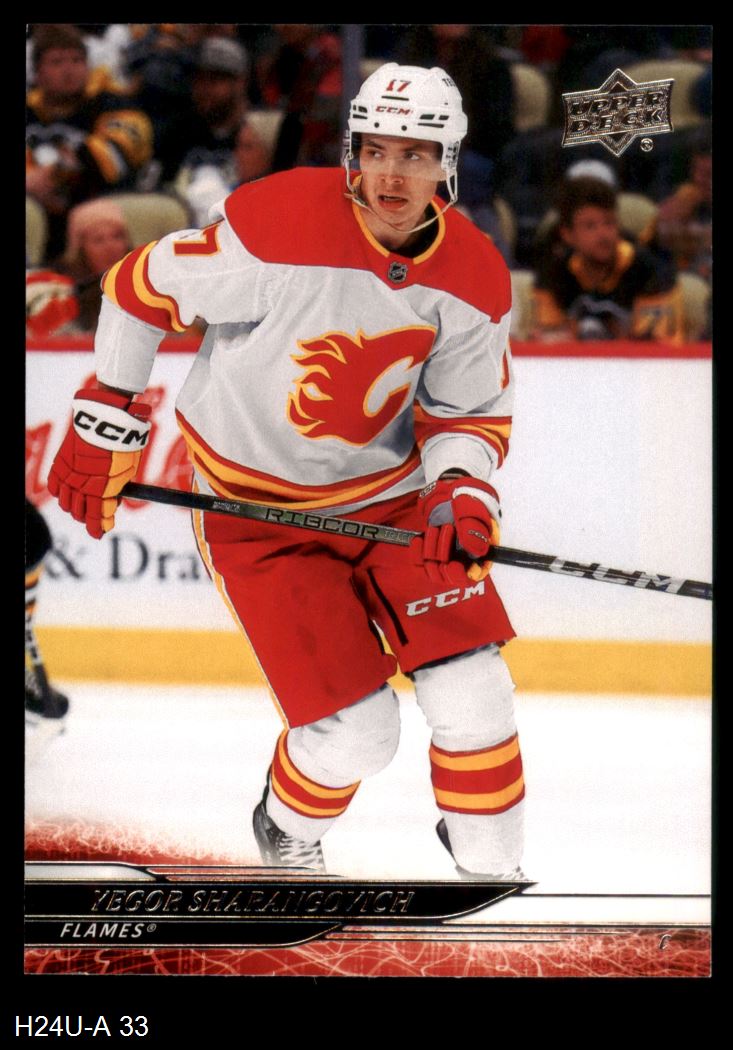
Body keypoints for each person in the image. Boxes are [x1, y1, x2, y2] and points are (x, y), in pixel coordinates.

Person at [46, 63, 525, 881]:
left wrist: (458, 488)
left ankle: (494, 876)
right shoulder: (277, 228)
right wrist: (108, 409)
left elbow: (465, 414)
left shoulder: (473, 274)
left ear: (445, 162)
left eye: (414, 155)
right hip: (257, 515)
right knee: (358, 734)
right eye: (376, 150)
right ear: (352, 153)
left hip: (395, 503)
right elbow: (136, 289)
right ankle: (285, 826)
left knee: (476, 693)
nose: (391, 174)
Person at [26, 24, 153, 262]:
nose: (69, 70)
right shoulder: (29, 110)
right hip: (40, 215)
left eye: (77, 60)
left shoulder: (115, 102)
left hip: (100, 211)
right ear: (37, 72)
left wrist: (51, 174)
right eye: (57, 62)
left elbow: (114, 155)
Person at [532, 176, 683, 343]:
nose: (603, 234)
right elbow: (546, 340)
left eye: (609, 223)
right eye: (590, 226)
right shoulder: (553, 273)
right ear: (567, 234)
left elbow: (657, 347)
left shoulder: (651, 271)